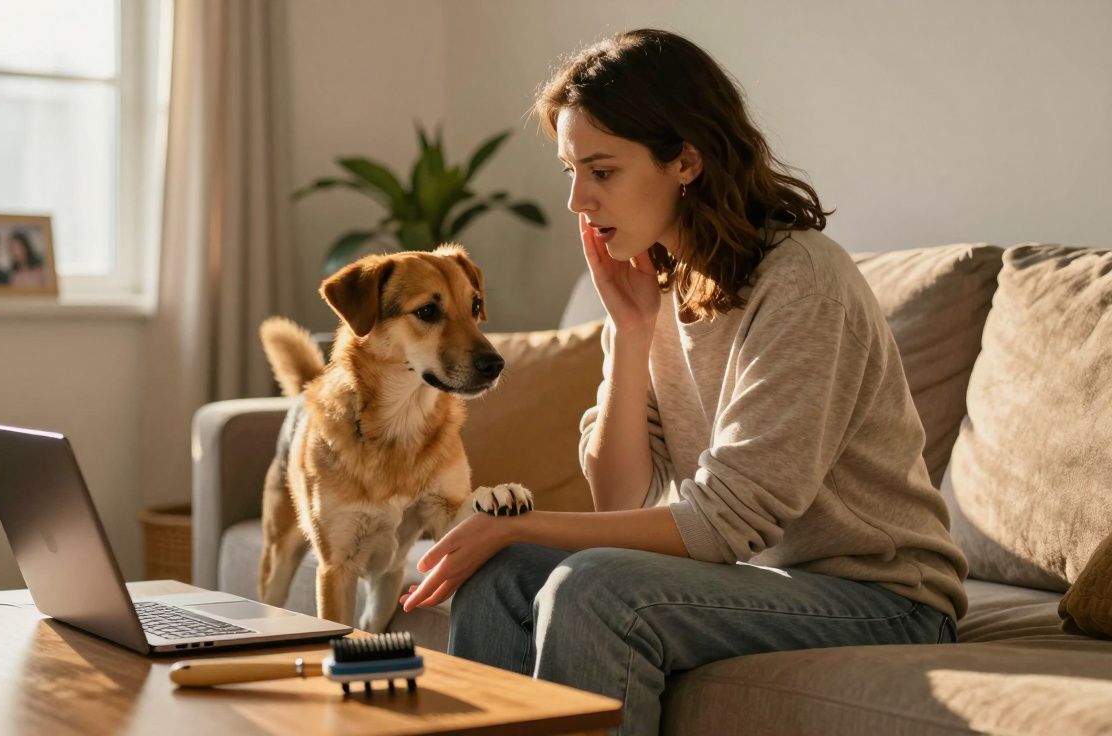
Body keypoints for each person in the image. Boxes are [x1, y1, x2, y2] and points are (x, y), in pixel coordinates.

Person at [397, 29, 967, 735]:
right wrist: (632, 337)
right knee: (502, 572)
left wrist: (515, 522)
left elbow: (727, 518)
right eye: (571, 170)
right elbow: (620, 499)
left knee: (596, 589)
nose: (579, 200)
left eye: (602, 172)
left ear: (686, 161)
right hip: (764, 581)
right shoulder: (653, 284)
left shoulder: (802, 282)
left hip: (888, 600)